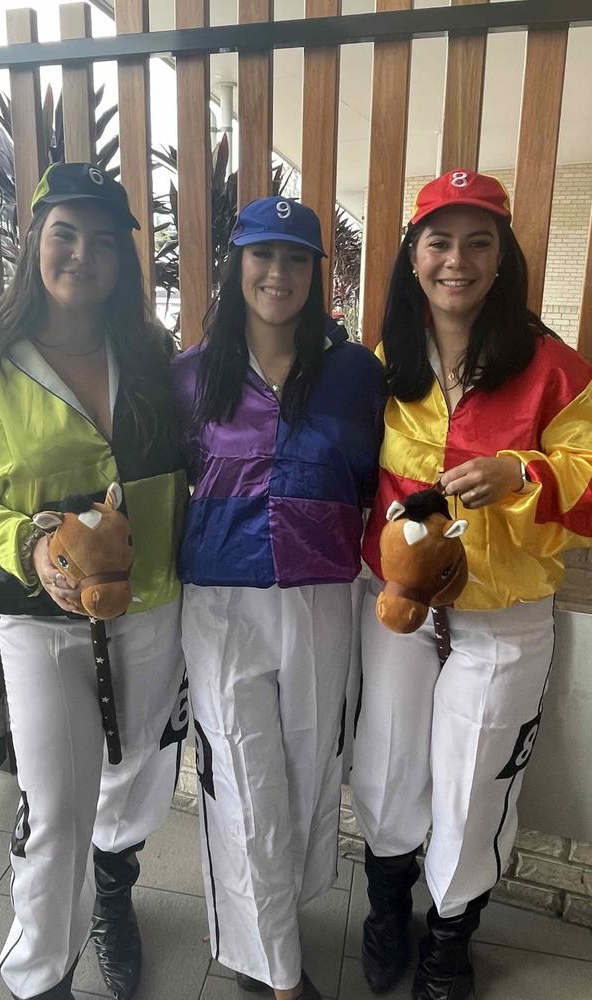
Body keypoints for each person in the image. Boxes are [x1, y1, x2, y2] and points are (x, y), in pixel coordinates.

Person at [0, 162, 189, 1000]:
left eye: (101, 240)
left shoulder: (151, 352)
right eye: (63, 234)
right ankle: (41, 977)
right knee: (53, 812)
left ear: (123, 256)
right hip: (40, 623)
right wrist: (23, 544)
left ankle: (112, 900)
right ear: (33, 244)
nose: (81, 253)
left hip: (152, 602)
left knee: (138, 778)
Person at [350, 169, 592, 1000]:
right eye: (439, 241)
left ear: (503, 257)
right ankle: (387, 910)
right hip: (395, 608)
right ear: (412, 256)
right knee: (384, 763)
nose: (458, 259)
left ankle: (450, 938)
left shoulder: (555, 367)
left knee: (476, 779)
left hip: (505, 616)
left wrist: (524, 472)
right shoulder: (385, 362)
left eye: (478, 241)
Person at [172, 196, 386, 1000]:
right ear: (237, 268)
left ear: (315, 275)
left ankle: (262, 920)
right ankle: (276, 975)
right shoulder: (191, 375)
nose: (278, 273)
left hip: (322, 596)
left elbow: (372, 479)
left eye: (296, 258)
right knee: (244, 775)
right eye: (262, 256)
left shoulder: (354, 373)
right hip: (222, 605)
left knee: (304, 770)